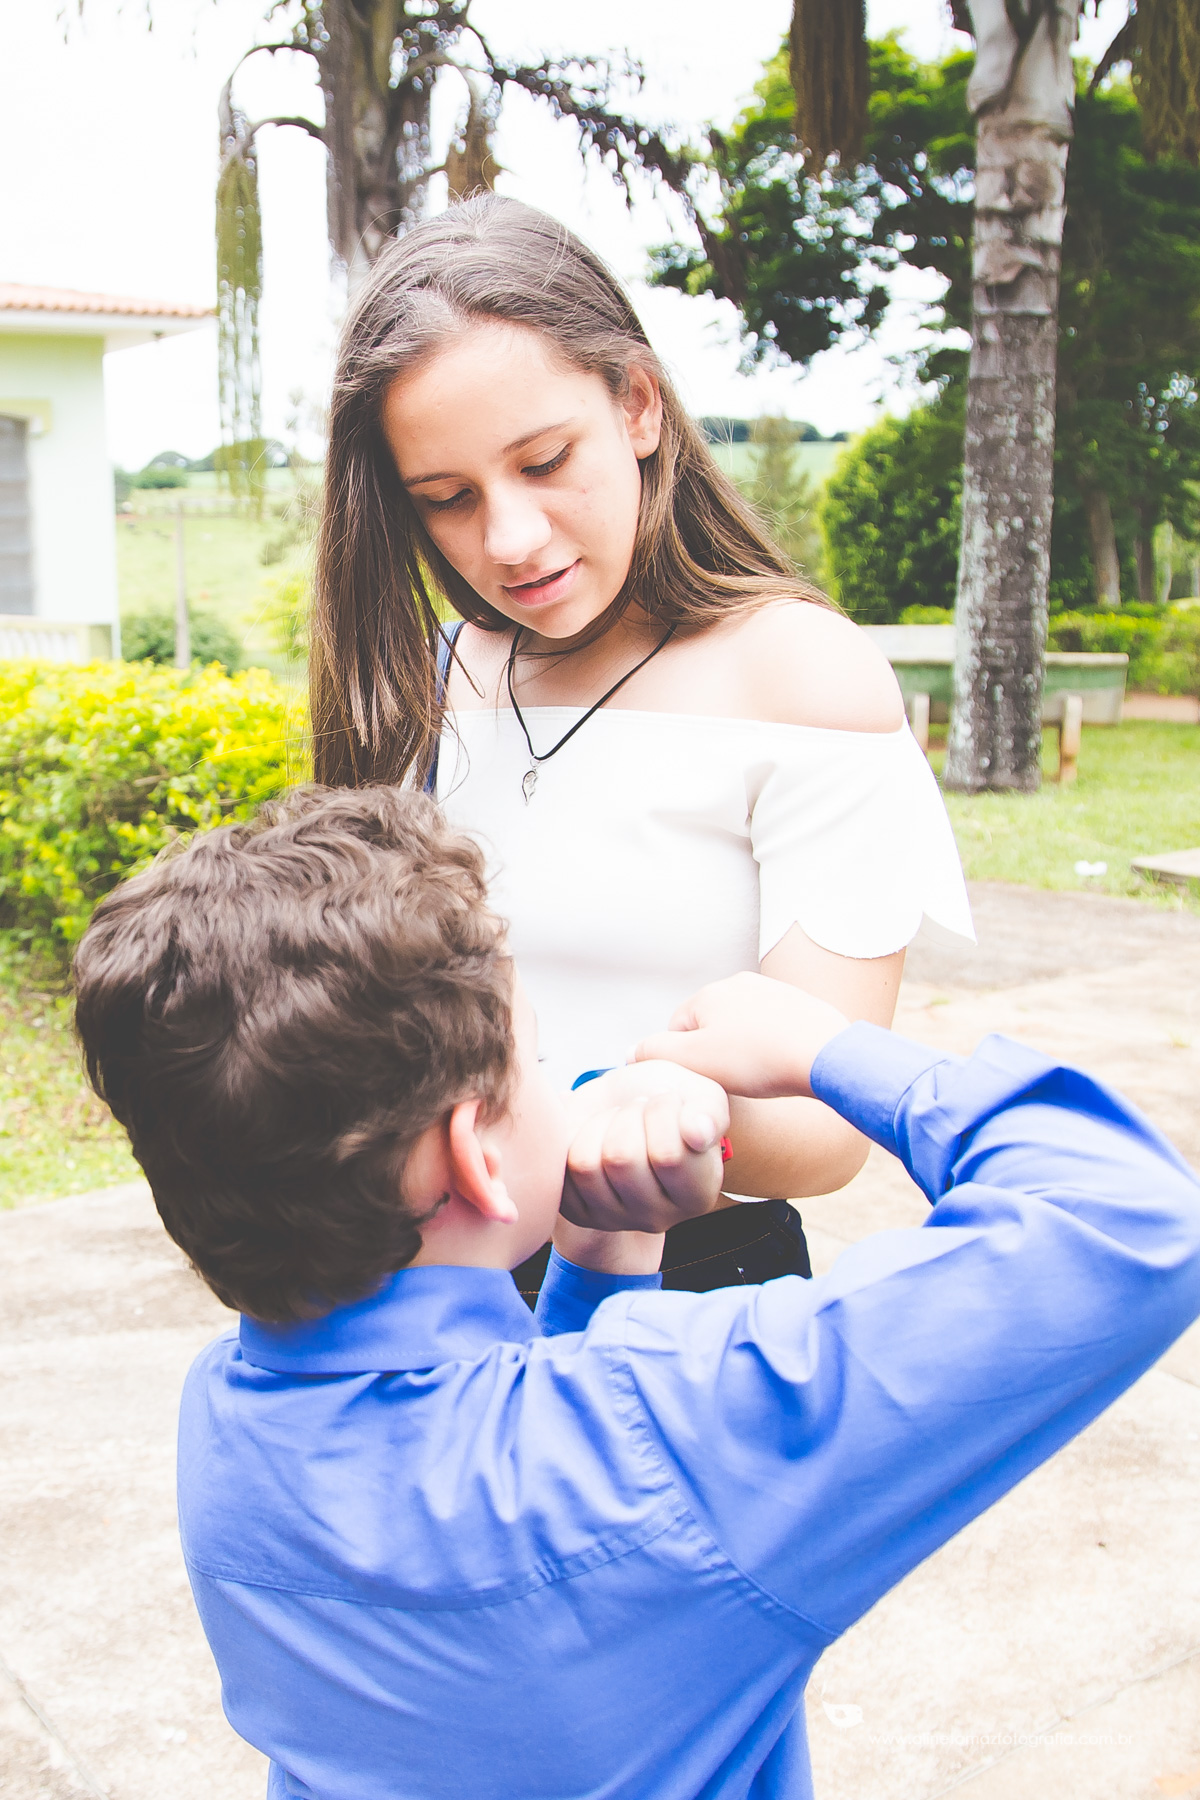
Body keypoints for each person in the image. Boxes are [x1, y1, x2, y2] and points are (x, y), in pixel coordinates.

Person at [73, 785, 1200, 1800]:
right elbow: (1128, 1210)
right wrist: (830, 1049)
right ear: (473, 1155)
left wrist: (601, 1247)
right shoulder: (683, 1429)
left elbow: (509, 1478)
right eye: (527, 1055)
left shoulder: (225, 1427)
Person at [308, 192, 975, 1297]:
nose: (510, 539)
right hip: (422, 1284)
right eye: (446, 498)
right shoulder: (427, 679)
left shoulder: (798, 675)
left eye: (544, 460)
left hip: (690, 1301)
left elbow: (826, 1133)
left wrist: (636, 1125)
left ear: (639, 406)